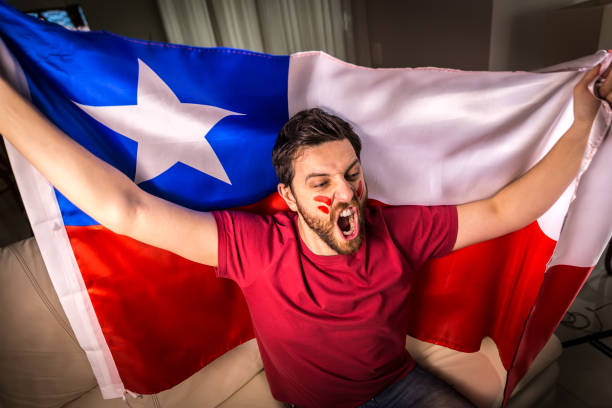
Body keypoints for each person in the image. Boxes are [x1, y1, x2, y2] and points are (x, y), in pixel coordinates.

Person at [0, 64, 610, 408]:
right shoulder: (255, 246)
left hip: (398, 390)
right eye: (321, 181)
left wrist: (585, 122)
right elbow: (125, 208)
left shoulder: (400, 228)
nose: (344, 193)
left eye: (351, 174)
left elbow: (506, 208)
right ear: (288, 198)